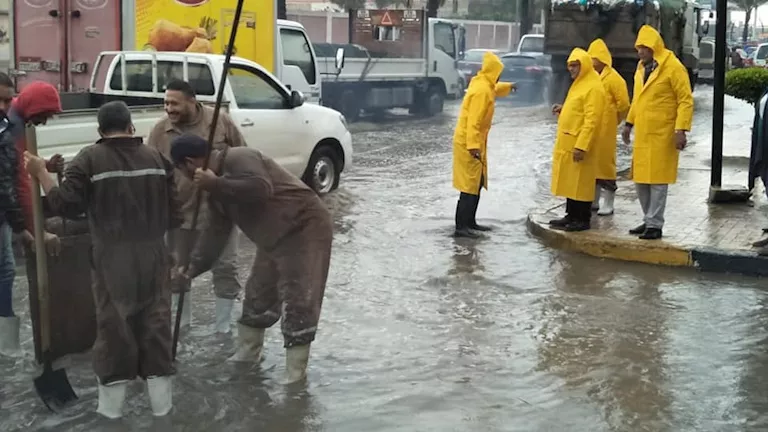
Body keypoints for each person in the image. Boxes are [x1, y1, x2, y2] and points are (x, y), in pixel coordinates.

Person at [24, 101, 182, 419]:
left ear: (100, 131)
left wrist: (41, 174)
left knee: (115, 333)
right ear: (131, 127)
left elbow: (65, 204)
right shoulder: (156, 158)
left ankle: (110, 419)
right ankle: (163, 415)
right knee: (156, 329)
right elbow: (176, 213)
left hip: (114, 260)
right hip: (154, 256)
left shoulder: (90, 157)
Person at [169, 134, 332, 384]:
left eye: (181, 171)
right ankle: (247, 356)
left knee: (299, 299)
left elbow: (260, 188)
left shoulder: (238, 157)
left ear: (189, 163)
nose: (185, 177)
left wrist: (217, 184)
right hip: (273, 238)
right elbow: (215, 235)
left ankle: (295, 377)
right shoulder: (214, 192)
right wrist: (190, 269)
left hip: (304, 228)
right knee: (258, 295)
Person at [147, 79, 245, 333]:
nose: (169, 108)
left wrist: (226, 186)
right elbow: (152, 174)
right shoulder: (160, 132)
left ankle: (223, 329)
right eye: (166, 103)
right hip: (180, 215)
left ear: (192, 101)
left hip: (220, 212)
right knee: (177, 271)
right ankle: (183, 327)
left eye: (175, 103)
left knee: (226, 267)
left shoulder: (219, 123)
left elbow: (241, 156)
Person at [0, 79, 63, 356]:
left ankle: (7, 344)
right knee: (5, 270)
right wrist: (31, 230)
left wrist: (45, 166)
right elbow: (16, 184)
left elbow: (19, 163)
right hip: (5, 211)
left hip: (5, 211)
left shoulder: (15, 121)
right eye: (44, 116)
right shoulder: (10, 125)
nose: (45, 122)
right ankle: (7, 346)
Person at [622, 25, 693, 240]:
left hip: (664, 133)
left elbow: (685, 100)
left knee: (658, 181)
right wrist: (628, 124)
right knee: (641, 180)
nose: (640, 52)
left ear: (654, 47)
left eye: (644, 47)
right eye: (638, 48)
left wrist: (681, 129)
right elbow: (638, 98)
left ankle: (655, 224)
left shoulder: (673, 67)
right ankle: (648, 219)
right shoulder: (641, 68)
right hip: (643, 133)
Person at [452, 51, 514, 238]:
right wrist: (473, 146)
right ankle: (462, 227)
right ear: (493, 71)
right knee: (469, 185)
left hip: (473, 141)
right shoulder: (482, 91)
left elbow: (495, 88)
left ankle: (470, 222)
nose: (500, 76)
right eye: (499, 73)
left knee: (476, 183)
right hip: (469, 143)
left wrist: (509, 87)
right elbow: (474, 121)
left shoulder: (483, 84)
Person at [548, 48, 606, 232]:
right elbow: (577, 110)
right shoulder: (579, 84)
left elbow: (592, 119)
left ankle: (582, 219)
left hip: (581, 144)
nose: (571, 70)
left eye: (575, 66)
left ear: (585, 66)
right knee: (571, 182)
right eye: (570, 66)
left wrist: (582, 146)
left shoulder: (593, 87)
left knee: (581, 183)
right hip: (569, 141)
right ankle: (571, 215)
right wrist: (563, 110)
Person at [587, 38, 630, 216]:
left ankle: (609, 202)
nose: (591, 62)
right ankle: (594, 200)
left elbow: (624, 104)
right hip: (592, 129)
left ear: (602, 59)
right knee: (592, 165)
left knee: (605, 165)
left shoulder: (614, 79)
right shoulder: (590, 77)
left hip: (606, 129)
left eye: (593, 58)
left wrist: (615, 120)